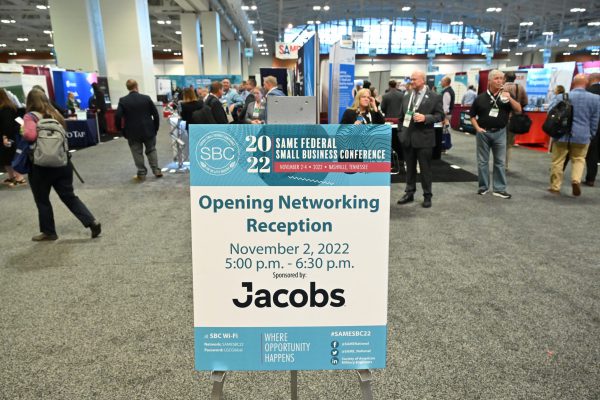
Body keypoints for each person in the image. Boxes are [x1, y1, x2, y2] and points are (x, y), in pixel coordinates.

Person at [22, 89, 101, 241]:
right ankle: (91, 221)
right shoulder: (56, 114)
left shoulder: (30, 117)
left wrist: (23, 132)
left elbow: (30, 136)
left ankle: (49, 232)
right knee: (69, 196)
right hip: (62, 162)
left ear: (30, 102)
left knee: (42, 199)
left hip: (40, 166)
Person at [469, 70, 522, 199]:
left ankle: (499, 189)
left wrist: (510, 98)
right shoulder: (480, 98)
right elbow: (472, 115)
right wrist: (477, 128)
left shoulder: (506, 96)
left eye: (501, 78)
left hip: (500, 133)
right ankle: (483, 187)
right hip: (483, 133)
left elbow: (518, 109)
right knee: (482, 162)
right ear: (490, 81)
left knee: (500, 162)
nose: (500, 81)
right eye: (496, 78)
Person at [396, 70, 444, 208]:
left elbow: (440, 116)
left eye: (414, 79)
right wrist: (401, 133)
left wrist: (426, 118)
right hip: (408, 139)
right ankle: (409, 193)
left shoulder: (434, 97)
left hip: (424, 139)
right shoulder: (406, 96)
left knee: (425, 169)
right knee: (409, 169)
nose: (412, 81)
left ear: (423, 80)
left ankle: (427, 195)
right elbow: (401, 118)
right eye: (411, 79)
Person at [547, 74, 599, 196]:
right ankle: (576, 180)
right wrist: (591, 134)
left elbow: (550, 113)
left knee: (558, 161)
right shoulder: (596, 99)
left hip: (561, 134)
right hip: (582, 135)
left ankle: (555, 187)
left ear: (573, 83)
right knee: (579, 159)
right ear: (587, 83)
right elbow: (595, 120)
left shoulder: (561, 97)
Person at [115, 79, 162, 181]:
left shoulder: (123, 100)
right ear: (137, 86)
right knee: (151, 150)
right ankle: (156, 170)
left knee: (137, 152)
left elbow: (118, 116)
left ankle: (141, 173)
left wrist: (120, 129)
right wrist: (155, 127)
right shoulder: (146, 98)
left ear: (127, 88)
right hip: (148, 129)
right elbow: (155, 114)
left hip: (132, 132)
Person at [0, 88, 26, 186]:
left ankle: (20, 178)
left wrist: (5, 137)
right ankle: (12, 178)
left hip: (8, 137)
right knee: (7, 159)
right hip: (9, 136)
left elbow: (7, 125)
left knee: (11, 157)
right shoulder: (10, 107)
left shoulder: (5, 109)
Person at [503, 71, 529, 170]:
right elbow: (525, 102)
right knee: (509, 144)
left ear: (505, 77)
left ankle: (499, 163)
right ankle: (505, 165)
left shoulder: (502, 88)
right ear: (515, 78)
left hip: (502, 118)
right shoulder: (520, 88)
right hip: (514, 119)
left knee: (499, 142)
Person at [584, 73, 600, 186]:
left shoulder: (588, 92)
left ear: (592, 79)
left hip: (590, 125)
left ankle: (590, 179)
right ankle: (590, 179)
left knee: (591, 153)